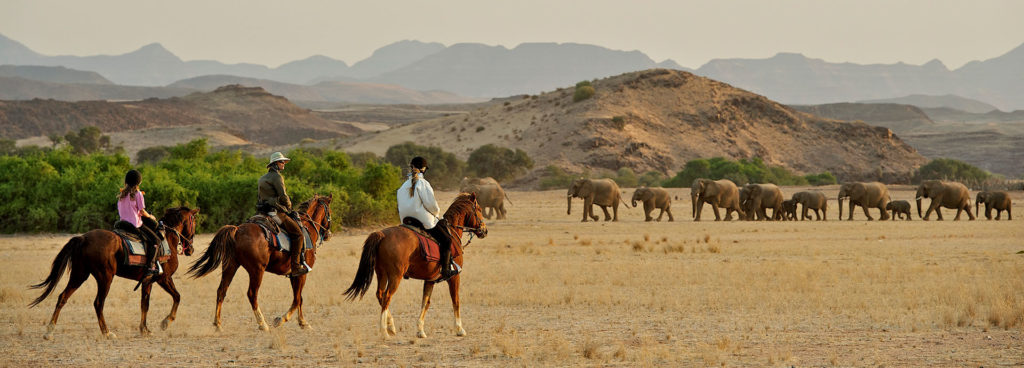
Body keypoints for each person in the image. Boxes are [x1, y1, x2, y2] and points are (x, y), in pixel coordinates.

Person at [397, 156, 458, 281]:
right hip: (422, 220)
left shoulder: (403, 186)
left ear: (412, 167)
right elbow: (431, 205)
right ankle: (446, 270)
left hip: (406, 220)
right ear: (423, 168)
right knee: (446, 239)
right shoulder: (423, 183)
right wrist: (437, 214)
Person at [257, 152, 309, 278]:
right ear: (275, 164)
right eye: (281, 162)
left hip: (262, 212)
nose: (284, 164)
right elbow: (283, 196)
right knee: (298, 235)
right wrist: (289, 207)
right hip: (276, 213)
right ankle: (296, 267)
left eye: (284, 162)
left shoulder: (262, 178)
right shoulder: (277, 177)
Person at [117, 169, 161, 279]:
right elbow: (142, 212)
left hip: (122, 224)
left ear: (126, 181)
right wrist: (151, 217)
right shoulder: (138, 194)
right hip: (135, 225)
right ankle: (151, 266)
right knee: (156, 240)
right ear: (139, 182)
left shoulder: (121, 194)